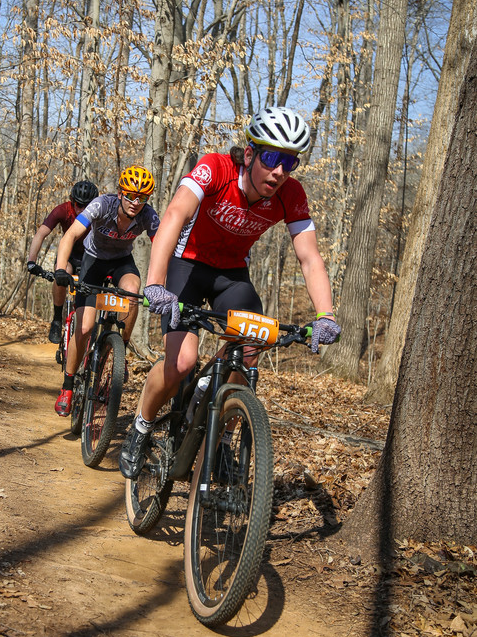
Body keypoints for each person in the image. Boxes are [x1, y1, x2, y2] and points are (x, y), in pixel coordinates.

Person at [119, 105, 341, 479]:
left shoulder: (290, 194)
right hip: (187, 266)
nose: (280, 171)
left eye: (290, 162)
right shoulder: (216, 168)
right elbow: (174, 215)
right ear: (250, 154)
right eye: (271, 158)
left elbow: (309, 258)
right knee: (181, 363)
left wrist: (326, 314)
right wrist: (155, 283)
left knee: (250, 350)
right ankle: (141, 426)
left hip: (231, 275)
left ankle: (220, 439)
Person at [53, 165, 160, 417]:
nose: (136, 202)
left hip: (122, 261)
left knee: (132, 292)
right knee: (85, 328)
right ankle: (67, 386)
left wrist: (160, 284)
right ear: (120, 193)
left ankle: (120, 350)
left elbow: (162, 246)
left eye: (142, 198)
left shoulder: (148, 215)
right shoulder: (102, 205)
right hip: (93, 260)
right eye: (130, 196)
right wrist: (60, 269)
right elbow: (70, 235)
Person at [26, 179, 99, 343]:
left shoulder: (98, 213)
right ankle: (57, 319)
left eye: (87, 205)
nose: (83, 210)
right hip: (70, 254)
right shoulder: (63, 210)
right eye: (79, 205)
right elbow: (41, 234)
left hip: (90, 256)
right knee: (63, 273)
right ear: (72, 201)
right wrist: (31, 261)